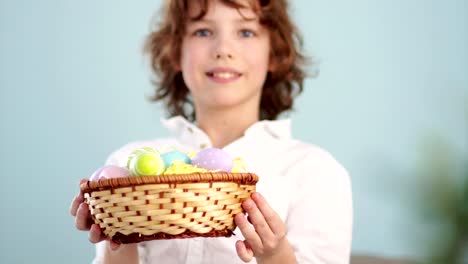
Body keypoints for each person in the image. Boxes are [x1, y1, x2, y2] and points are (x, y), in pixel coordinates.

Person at [70, 0, 353, 263]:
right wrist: (118, 235)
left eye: (246, 32)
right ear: (175, 54)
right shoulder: (128, 165)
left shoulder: (314, 171)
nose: (223, 49)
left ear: (274, 55)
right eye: (203, 31)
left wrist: (275, 254)